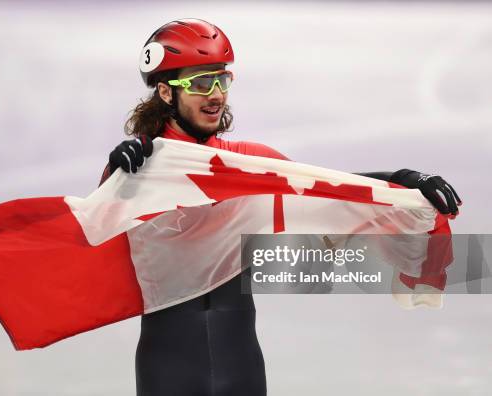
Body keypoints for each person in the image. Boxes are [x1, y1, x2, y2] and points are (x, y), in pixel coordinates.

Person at [98, 19, 462, 396]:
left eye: (223, 80)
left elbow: (331, 188)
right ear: (165, 92)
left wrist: (405, 180)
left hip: (240, 367)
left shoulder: (247, 165)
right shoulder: (141, 169)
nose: (217, 94)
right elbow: (100, 225)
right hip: (169, 371)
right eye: (201, 82)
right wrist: (117, 173)